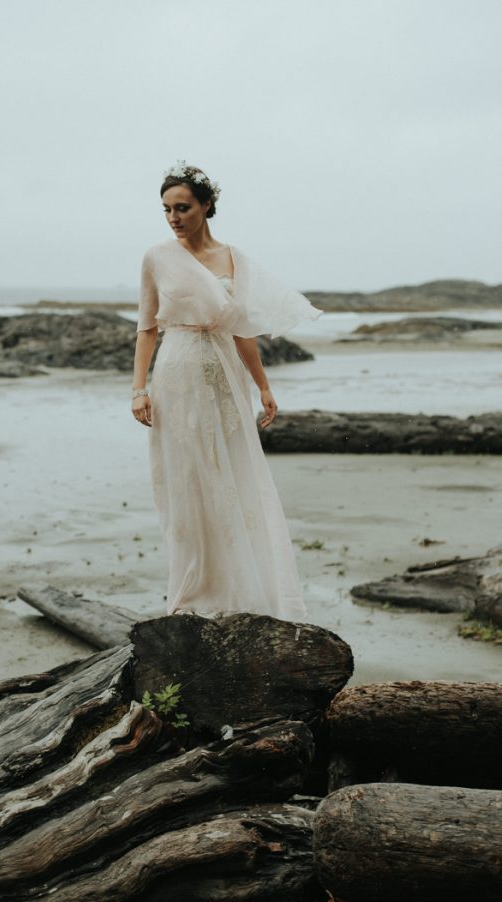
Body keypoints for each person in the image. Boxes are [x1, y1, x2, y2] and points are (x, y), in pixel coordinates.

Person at [131, 161, 322, 622]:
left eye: (183, 208)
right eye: (166, 210)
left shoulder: (233, 258)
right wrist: (138, 389)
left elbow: (242, 330)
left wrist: (264, 386)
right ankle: (194, 592)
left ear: (207, 206)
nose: (174, 217)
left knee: (233, 475)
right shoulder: (157, 257)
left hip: (224, 376)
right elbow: (146, 328)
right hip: (175, 372)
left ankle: (242, 591)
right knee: (187, 479)